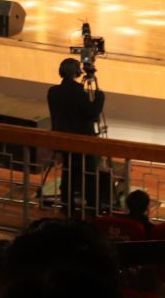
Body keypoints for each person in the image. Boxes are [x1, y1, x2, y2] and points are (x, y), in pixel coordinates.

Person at [47, 58, 105, 216]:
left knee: (68, 171)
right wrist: (99, 96)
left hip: (62, 141)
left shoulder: (53, 91)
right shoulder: (79, 93)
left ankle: (67, 205)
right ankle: (93, 207)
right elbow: (92, 114)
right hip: (81, 142)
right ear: (77, 72)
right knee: (89, 173)